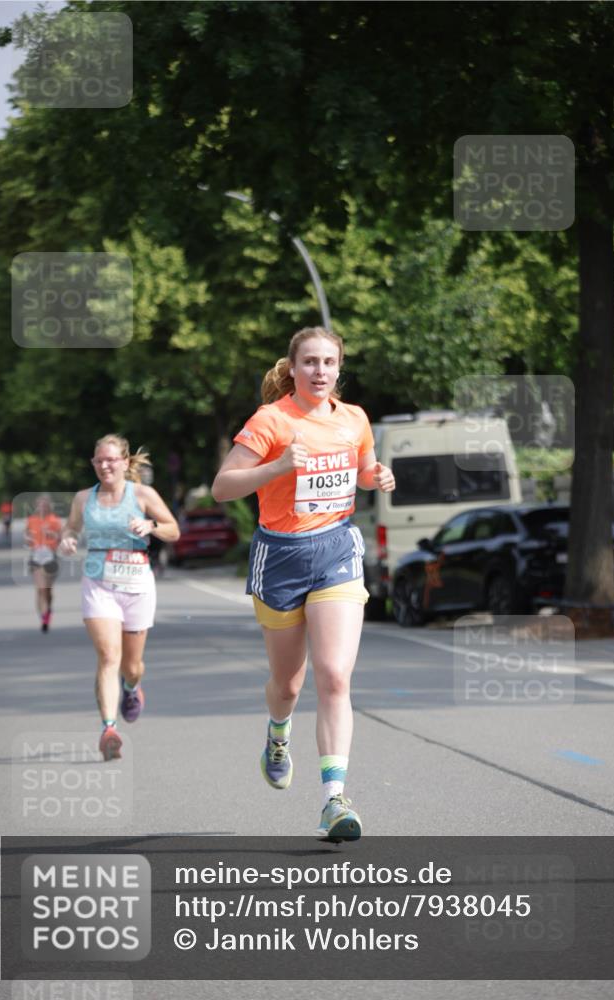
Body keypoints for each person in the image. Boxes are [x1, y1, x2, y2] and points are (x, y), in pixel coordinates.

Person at [212, 326, 395, 841]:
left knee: (335, 674)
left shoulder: (354, 418)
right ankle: (277, 734)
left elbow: (360, 471)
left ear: (340, 368)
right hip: (281, 557)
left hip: (337, 551)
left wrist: (377, 476)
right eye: (310, 362)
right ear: (292, 368)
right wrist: (276, 466)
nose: (319, 371)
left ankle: (334, 800)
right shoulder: (271, 420)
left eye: (329, 362)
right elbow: (223, 487)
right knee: (289, 685)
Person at [59, 435, 180, 761]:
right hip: (99, 583)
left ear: (125, 463)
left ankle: (131, 688)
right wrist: (68, 541)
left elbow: (174, 530)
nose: (105, 465)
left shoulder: (142, 494)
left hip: (137, 583)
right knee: (108, 657)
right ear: (93, 464)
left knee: (132, 665)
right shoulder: (84, 499)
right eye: (99, 460)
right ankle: (109, 729)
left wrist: (150, 525)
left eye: (111, 459)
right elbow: (71, 529)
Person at [26, 494, 62, 632]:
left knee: (47, 590)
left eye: (44, 505)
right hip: (36, 556)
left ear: (48, 507)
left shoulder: (54, 520)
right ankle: (43, 617)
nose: (41, 507)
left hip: (50, 556)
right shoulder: (32, 520)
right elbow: (27, 537)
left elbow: (61, 538)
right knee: (40, 589)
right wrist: (29, 539)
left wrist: (53, 536)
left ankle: (48, 609)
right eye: (39, 505)